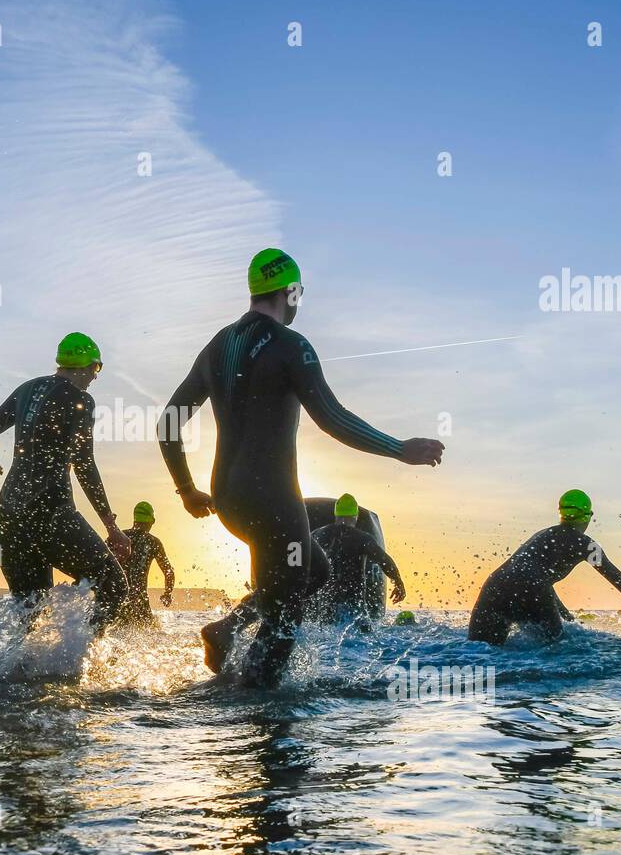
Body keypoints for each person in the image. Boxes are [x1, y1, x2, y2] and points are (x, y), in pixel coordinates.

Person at [158, 248, 445, 684]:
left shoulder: (217, 346)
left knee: (315, 572)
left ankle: (225, 629)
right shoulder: (291, 346)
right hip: (273, 499)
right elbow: (332, 418)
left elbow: (168, 423)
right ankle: (257, 706)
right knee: (285, 615)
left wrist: (187, 489)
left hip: (229, 499)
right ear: (290, 291)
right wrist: (398, 448)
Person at [0, 332, 131, 631]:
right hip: (51, 513)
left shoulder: (26, 389)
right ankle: (83, 660)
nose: (95, 378)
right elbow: (84, 463)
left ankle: (17, 671)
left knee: (29, 616)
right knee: (113, 584)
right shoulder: (80, 399)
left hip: (8, 518)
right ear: (85, 366)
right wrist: (110, 525)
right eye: (97, 369)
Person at [468, 489, 621, 644]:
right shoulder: (586, 545)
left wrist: (566, 617)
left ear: (561, 514)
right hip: (534, 588)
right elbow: (618, 579)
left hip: (494, 585)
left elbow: (531, 578)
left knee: (480, 651)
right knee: (554, 648)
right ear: (588, 516)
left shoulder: (542, 535)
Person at [308, 493, 406, 625]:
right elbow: (384, 561)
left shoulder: (316, 535)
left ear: (336, 515)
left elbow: (297, 553)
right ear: (356, 516)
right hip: (353, 611)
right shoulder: (363, 539)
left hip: (327, 611)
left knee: (326, 628)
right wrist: (398, 581)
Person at [118, 502, 176, 627]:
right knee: (151, 635)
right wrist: (167, 593)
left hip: (117, 600)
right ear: (151, 520)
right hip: (139, 601)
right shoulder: (153, 542)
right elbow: (168, 571)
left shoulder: (118, 537)